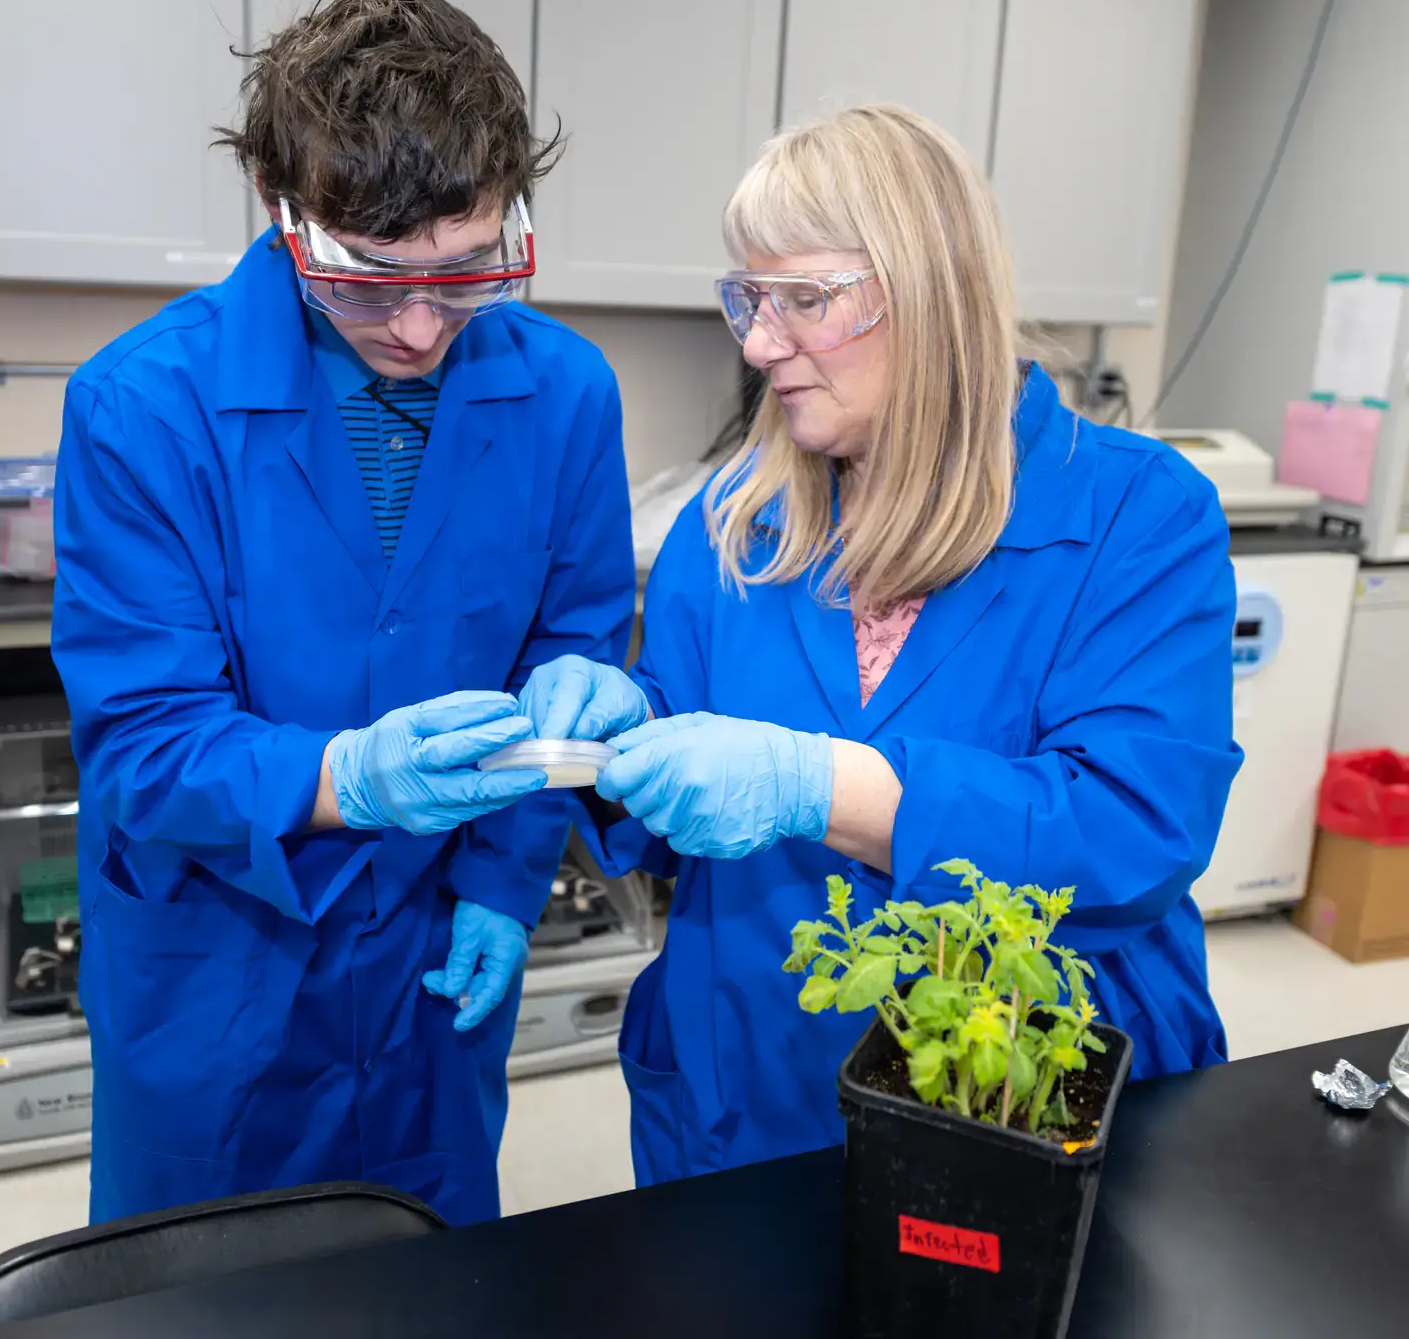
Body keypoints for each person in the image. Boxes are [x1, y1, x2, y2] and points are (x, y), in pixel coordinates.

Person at [519, 103, 1242, 1185]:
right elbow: (686, 807)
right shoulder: (727, 526)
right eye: (750, 301)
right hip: (746, 1097)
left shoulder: (1137, 520)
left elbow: (1130, 829)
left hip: (1016, 1102)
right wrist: (626, 743)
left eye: (803, 299)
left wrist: (824, 786)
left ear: (931, 295)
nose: (761, 346)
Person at [52, 0, 634, 1223]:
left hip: (433, 969)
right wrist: (348, 780)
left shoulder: (570, 396)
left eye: (470, 269)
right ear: (284, 209)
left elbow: (571, 647)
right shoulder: (143, 408)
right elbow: (147, 751)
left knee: (425, 1279)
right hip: (218, 982)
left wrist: (502, 880)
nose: (422, 325)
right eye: (369, 279)